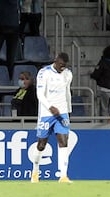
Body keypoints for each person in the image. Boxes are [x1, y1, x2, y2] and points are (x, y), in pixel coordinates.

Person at [31, 52, 73, 183]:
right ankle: (35, 171)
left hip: (62, 113)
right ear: (56, 61)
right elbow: (40, 94)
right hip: (46, 113)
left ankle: (63, 175)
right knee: (41, 144)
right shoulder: (44, 73)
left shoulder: (67, 74)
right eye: (61, 65)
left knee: (63, 141)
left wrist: (68, 110)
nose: (62, 68)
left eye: (64, 66)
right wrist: (50, 107)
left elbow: (67, 92)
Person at [0, 0, 20, 78]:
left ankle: (6, 77)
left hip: (5, 25)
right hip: (7, 25)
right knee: (8, 56)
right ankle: (8, 77)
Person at [90, 45, 110, 117]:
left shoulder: (103, 62)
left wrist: (91, 75)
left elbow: (96, 74)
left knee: (104, 108)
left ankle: (104, 125)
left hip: (104, 89)